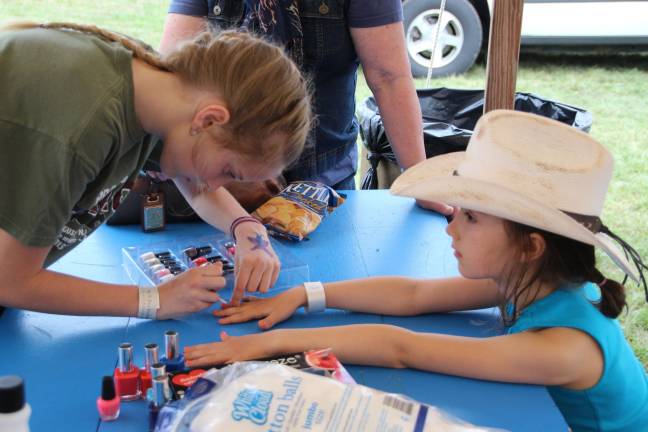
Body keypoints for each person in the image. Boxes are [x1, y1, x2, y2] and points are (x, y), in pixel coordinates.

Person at [184, 110, 648, 431]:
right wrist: (306, 293)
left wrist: (268, 343)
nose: (451, 225)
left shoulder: (566, 348)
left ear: (531, 246)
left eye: (470, 217)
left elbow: (399, 348)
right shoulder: (534, 277)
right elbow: (413, 295)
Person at [0, 22, 312, 319]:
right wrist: (154, 300)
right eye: (228, 170)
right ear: (209, 120)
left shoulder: (156, 94)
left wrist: (246, 227)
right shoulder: (78, 128)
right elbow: (11, 281)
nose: (217, 185)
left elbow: (194, 182)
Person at [154, 0, 452, 214]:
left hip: (323, 183)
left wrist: (418, 177)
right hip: (226, 186)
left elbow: (389, 77)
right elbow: (176, 68)